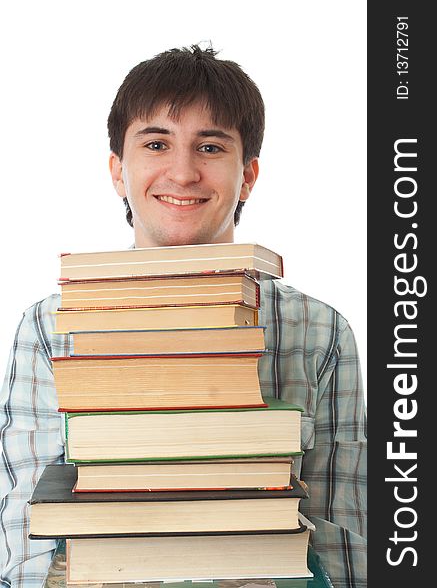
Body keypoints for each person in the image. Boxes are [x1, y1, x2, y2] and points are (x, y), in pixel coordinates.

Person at [0, 45, 367, 588]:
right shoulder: (49, 327)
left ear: (247, 176)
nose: (183, 171)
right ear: (118, 171)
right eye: (156, 143)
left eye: (211, 146)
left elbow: (344, 541)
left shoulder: (321, 331)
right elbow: (21, 542)